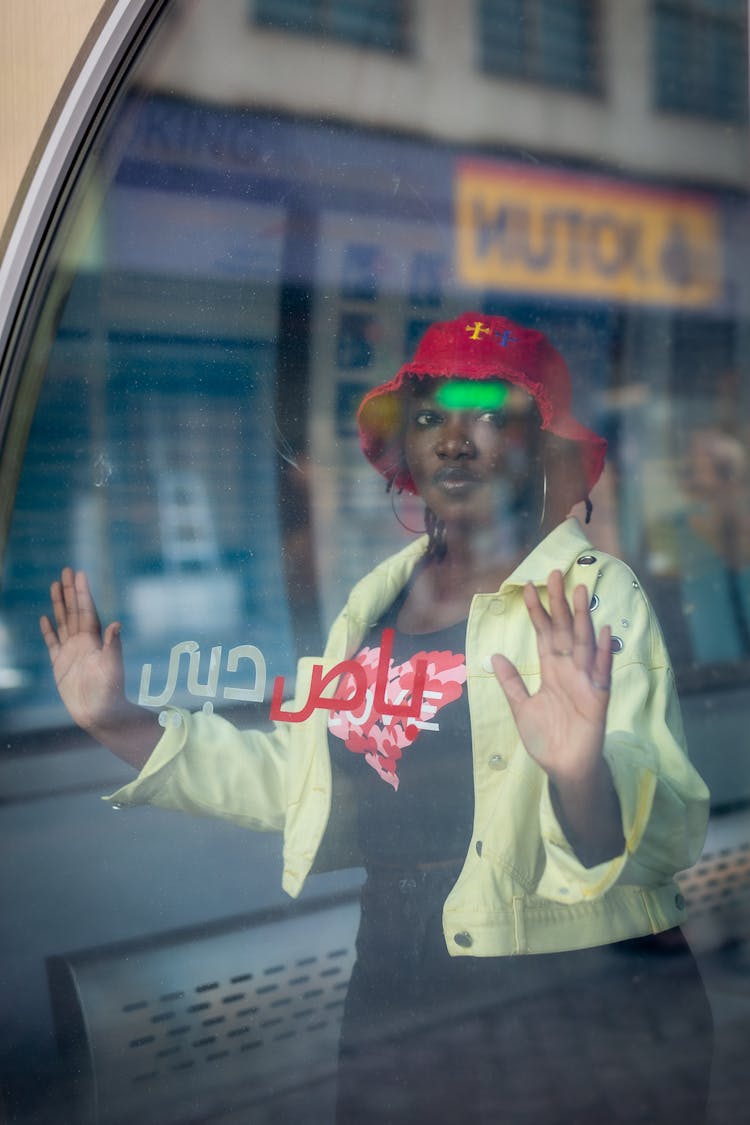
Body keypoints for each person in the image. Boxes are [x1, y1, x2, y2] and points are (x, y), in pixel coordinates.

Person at [41, 312, 712, 1124]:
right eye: (430, 418)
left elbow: (659, 838)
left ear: (543, 444)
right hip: (396, 981)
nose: (454, 442)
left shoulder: (594, 594)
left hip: (576, 993)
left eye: (489, 416)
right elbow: (307, 778)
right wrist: (120, 721)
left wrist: (580, 775)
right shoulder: (376, 599)